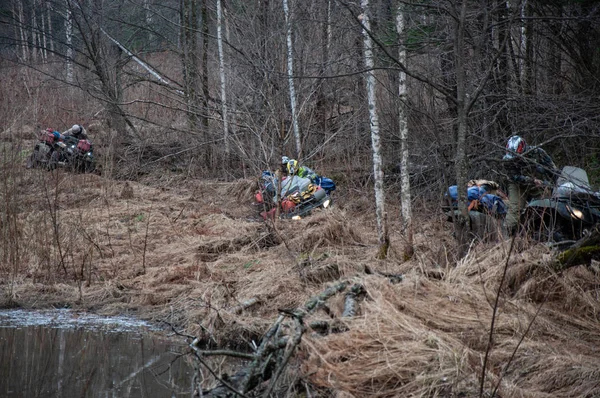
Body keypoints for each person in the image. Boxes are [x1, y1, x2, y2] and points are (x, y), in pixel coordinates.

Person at [502, 135, 559, 233]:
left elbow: (552, 169)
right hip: (517, 184)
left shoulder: (538, 153)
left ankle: (547, 231)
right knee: (515, 208)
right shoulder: (507, 160)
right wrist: (531, 180)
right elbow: (513, 177)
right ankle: (507, 235)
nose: (515, 159)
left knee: (546, 204)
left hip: (537, 183)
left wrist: (557, 182)